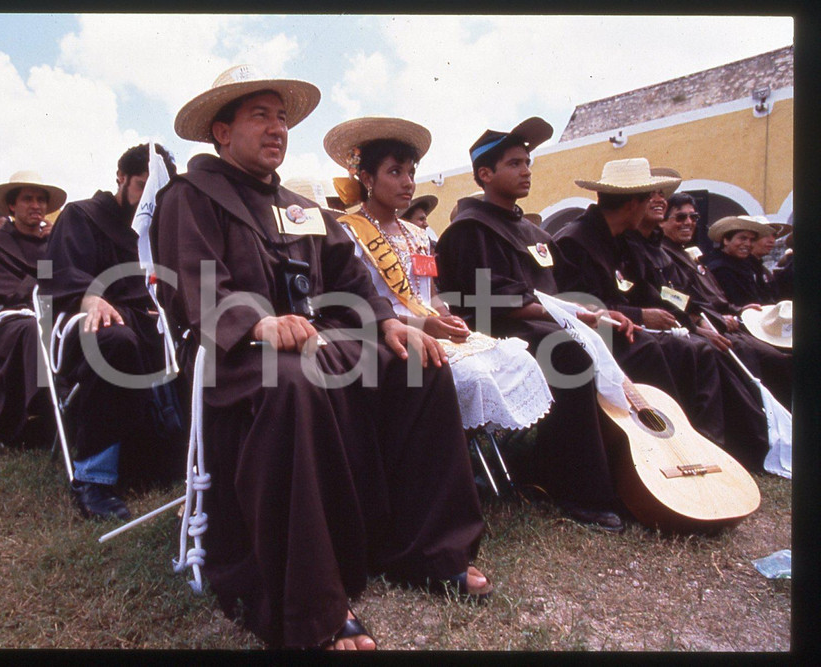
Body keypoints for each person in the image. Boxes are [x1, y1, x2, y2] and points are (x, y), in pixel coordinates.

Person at [152, 64, 488, 650]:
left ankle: (428, 550)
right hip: (238, 355)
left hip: (323, 339)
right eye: (261, 116)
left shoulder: (302, 207)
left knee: (421, 361)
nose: (278, 128)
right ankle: (311, 606)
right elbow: (194, 283)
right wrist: (256, 321)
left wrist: (388, 321)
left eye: (282, 117)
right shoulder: (189, 197)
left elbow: (350, 275)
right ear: (222, 132)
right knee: (292, 383)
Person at [436, 118, 660, 532]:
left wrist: (594, 313)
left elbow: (560, 289)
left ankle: (641, 468)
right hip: (496, 329)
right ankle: (579, 490)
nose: (526, 170)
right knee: (569, 352)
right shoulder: (469, 229)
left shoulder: (533, 231)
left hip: (547, 322)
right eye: (515, 163)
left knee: (623, 342)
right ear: (485, 174)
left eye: (528, 162)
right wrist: (571, 316)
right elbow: (487, 299)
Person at [324, 116, 552, 433]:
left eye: (411, 173)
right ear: (367, 178)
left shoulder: (417, 235)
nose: (408, 182)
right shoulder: (349, 234)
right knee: (473, 375)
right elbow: (359, 303)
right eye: (395, 172)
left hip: (433, 328)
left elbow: (428, 294)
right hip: (388, 336)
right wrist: (426, 324)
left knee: (520, 362)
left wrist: (447, 317)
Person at [553, 159, 770, 469]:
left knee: (703, 350)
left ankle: (714, 445)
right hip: (598, 335)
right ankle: (670, 451)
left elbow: (664, 295)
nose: (668, 211)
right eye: (652, 199)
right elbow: (580, 304)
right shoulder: (579, 241)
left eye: (692, 217)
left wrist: (698, 320)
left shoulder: (626, 241)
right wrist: (646, 316)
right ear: (633, 203)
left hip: (644, 326)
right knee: (675, 350)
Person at [42, 143, 184, 520]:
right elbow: (50, 274)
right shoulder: (80, 215)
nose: (145, 202)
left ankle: (187, 457)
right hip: (90, 325)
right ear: (120, 178)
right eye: (140, 187)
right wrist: (89, 298)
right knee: (116, 341)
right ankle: (94, 479)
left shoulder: (156, 228)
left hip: (149, 324)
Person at [650, 191, 793, 409]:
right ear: (662, 222)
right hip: (704, 327)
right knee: (772, 362)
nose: (688, 222)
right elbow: (671, 296)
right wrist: (706, 321)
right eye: (680, 217)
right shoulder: (663, 254)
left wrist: (738, 309)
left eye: (693, 217)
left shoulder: (684, 255)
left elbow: (714, 298)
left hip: (724, 323)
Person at [0, 171, 67, 448]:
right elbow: (4, 291)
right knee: (35, 328)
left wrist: (53, 247)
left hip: (52, 311)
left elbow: (60, 283)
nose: (36, 205)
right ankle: (40, 409)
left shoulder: (51, 242)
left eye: (41, 199)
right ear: (12, 206)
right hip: (13, 318)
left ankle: (72, 404)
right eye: (28, 198)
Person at [703, 215, 778, 308]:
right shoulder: (719, 269)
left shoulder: (748, 265)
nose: (748, 244)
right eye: (743, 238)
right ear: (726, 240)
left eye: (752, 240)